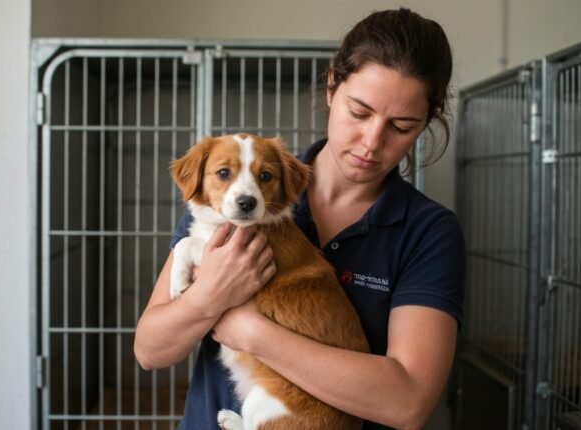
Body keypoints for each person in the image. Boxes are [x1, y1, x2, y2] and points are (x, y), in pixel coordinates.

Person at [134, 8, 465, 430]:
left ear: (425, 125)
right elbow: (150, 351)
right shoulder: (240, 200)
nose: (371, 142)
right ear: (332, 86)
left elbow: (408, 403)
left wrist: (248, 330)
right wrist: (207, 298)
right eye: (359, 112)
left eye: (401, 126)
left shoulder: (428, 232)